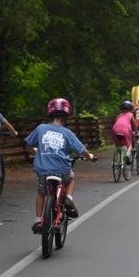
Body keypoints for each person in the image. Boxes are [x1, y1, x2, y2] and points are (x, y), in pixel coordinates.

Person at [25, 98, 95, 233]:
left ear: (49, 114)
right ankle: (68, 198)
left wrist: (35, 150)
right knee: (71, 177)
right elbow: (82, 151)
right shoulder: (67, 133)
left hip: (44, 171)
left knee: (41, 192)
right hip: (62, 170)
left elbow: (29, 145)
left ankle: (39, 221)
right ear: (67, 116)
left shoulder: (40, 129)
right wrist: (89, 157)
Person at [111, 100, 137, 164]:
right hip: (125, 130)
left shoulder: (118, 115)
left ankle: (118, 158)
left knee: (118, 145)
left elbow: (115, 123)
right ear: (131, 109)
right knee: (129, 145)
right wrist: (136, 131)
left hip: (115, 129)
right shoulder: (130, 114)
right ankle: (127, 155)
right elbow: (134, 125)